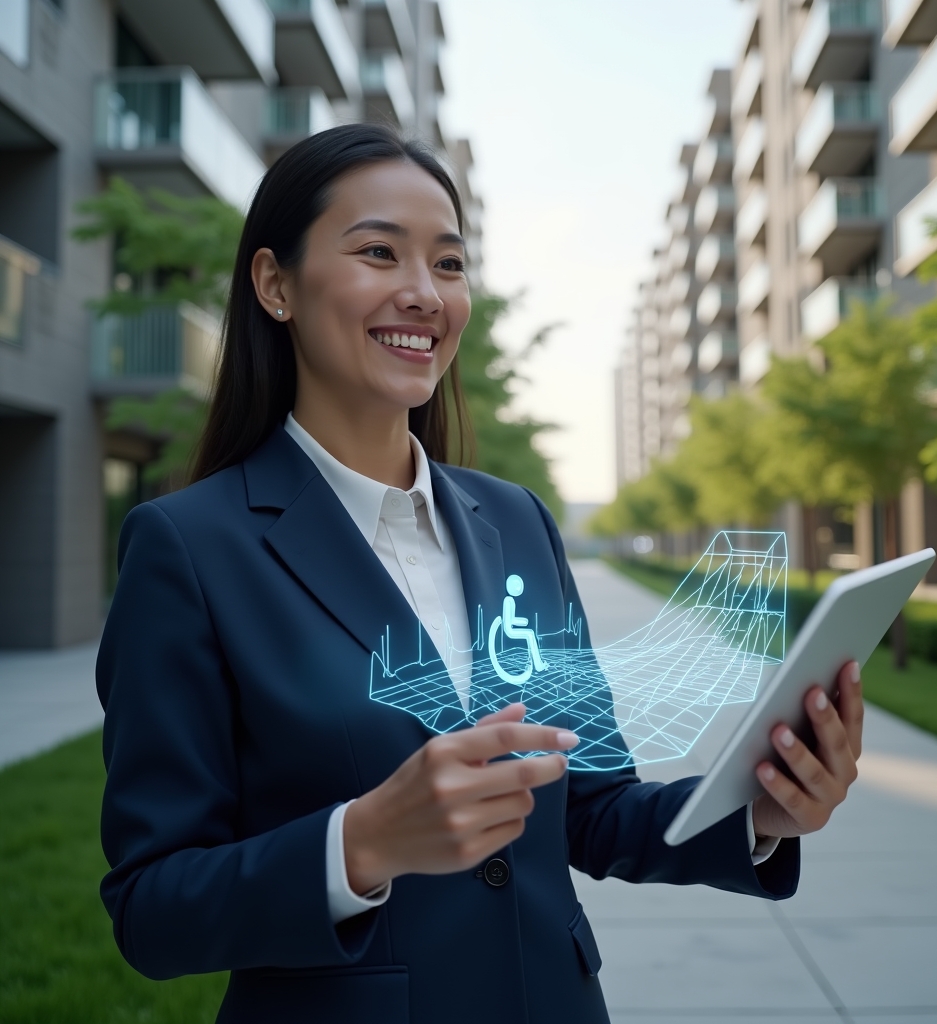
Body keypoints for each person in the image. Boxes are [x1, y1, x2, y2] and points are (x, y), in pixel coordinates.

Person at [97, 123, 863, 1024]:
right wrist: (358, 844)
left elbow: (591, 806)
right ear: (275, 285)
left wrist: (761, 811)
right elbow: (152, 908)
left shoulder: (517, 521)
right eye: (379, 252)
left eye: (449, 264)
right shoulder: (188, 547)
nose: (424, 294)